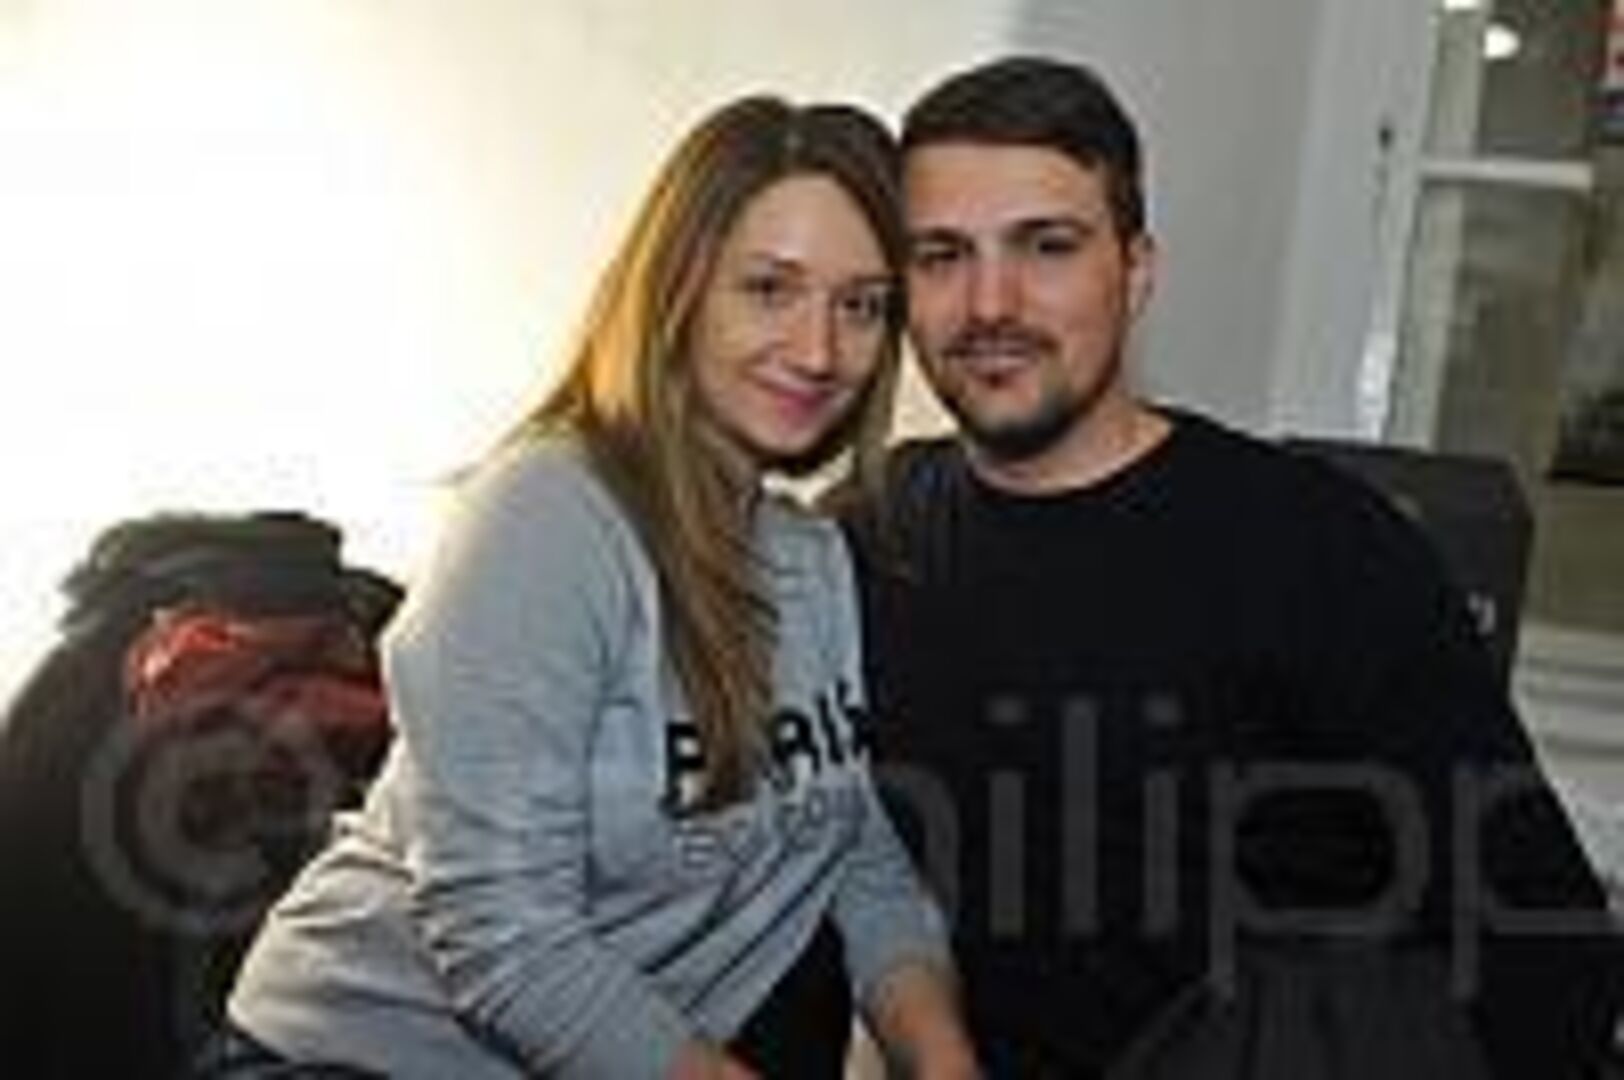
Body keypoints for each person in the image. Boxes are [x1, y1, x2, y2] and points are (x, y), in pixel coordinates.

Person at [837, 55, 1623, 1078]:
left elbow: (1547, 953)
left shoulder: (1318, 548)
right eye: (942, 255)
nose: (992, 302)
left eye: (1047, 246)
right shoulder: (867, 540)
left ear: (1136, 271)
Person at [212, 95, 979, 1079]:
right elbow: (506, 941)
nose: (820, 350)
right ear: (678, 289)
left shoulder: (812, 557)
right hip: (350, 1061)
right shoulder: (550, 514)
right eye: (768, 289)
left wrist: (949, 1066)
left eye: (861, 305)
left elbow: (852, 850)